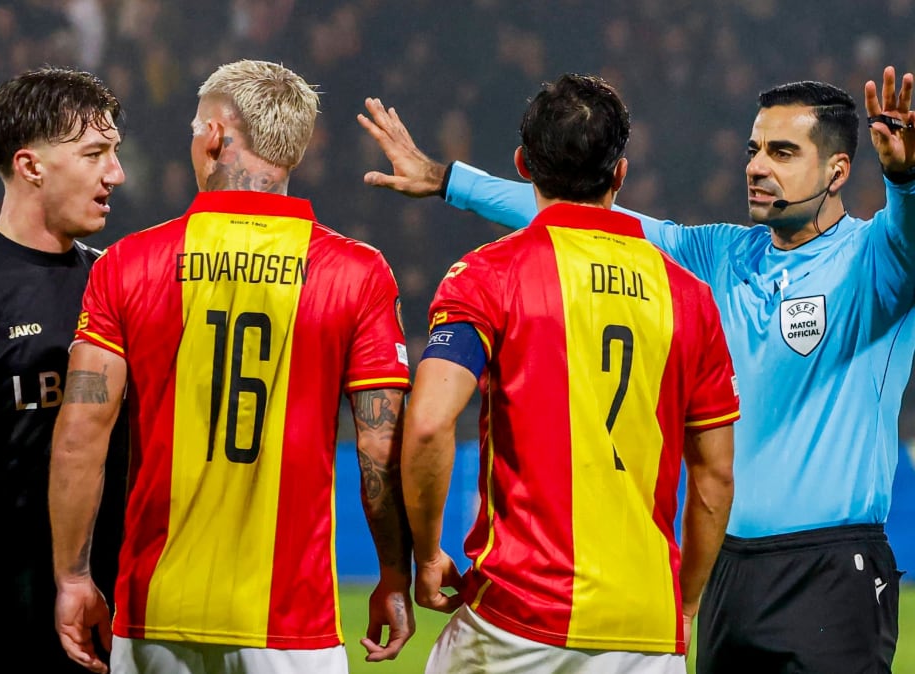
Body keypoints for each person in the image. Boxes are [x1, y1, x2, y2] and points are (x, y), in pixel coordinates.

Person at [362, 68, 915, 672]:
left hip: (830, 568)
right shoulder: (721, 254)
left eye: (782, 153)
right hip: (728, 565)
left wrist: (906, 179)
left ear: (837, 171)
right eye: (753, 150)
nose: (757, 167)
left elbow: (909, 230)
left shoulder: (878, 259)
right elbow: (573, 213)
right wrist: (448, 181)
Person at [49, 59, 414, 674]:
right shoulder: (357, 273)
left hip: (157, 611)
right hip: (292, 624)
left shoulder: (127, 264)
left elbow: (80, 435)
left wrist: (73, 577)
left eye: (196, 128)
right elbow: (380, 448)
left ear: (215, 135)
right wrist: (395, 574)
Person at [399, 73, 738, 674]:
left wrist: (427, 556)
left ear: (522, 165)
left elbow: (427, 425)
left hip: (518, 619)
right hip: (643, 631)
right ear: (620, 174)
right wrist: (682, 607)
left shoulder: (489, 276)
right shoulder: (690, 298)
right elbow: (714, 475)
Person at [0, 66, 129, 674]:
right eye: (94, 153)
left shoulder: (114, 282)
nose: (115, 173)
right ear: (30, 166)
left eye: (114, 152)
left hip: (109, 618)